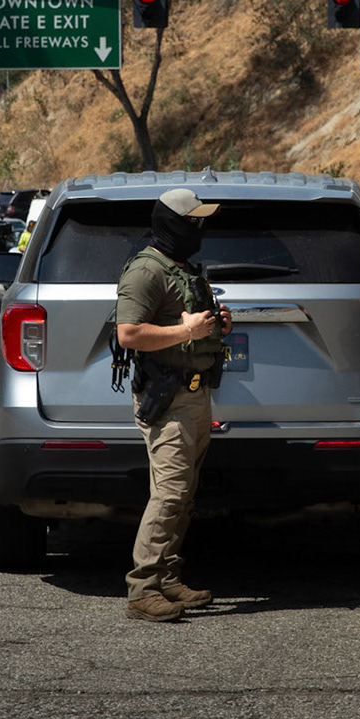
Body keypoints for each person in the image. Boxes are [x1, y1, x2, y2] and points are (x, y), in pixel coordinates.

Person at [116, 188, 234, 622]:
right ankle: (142, 589)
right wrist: (187, 334)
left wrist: (216, 323)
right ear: (170, 222)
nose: (199, 228)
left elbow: (185, 321)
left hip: (195, 395)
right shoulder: (146, 271)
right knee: (169, 495)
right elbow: (128, 333)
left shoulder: (181, 269)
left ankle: (167, 577)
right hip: (168, 398)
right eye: (192, 221)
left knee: (183, 495)